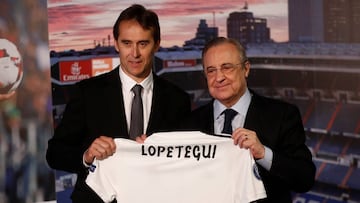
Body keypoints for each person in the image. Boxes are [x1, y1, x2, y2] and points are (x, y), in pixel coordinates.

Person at [46, 4, 191, 203]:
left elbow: (187, 161)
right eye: (126, 43)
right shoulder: (88, 93)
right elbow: (54, 153)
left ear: (157, 44)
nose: (134, 53)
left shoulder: (177, 99)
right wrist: (87, 155)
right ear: (116, 43)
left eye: (143, 43)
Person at [181, 37, 316, 202]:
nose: (219, 77)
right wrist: (150, 149)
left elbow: (304, 179)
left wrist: (263, 154)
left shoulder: (282, 115)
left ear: (246, 69)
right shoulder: (189, 123)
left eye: (227, 67)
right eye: (211, 70)